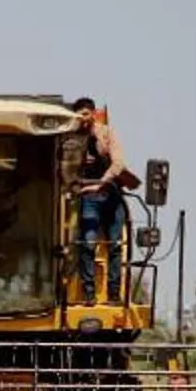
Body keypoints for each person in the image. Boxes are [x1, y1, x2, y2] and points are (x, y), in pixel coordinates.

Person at [71, 97, 127, 306]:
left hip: (111, 194)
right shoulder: (71, 138)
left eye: (85, 114)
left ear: (93, 114)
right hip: (88, 197)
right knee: (87, 243)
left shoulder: (107, 133)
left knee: (115, 245)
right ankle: (88, 294)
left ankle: (114, 295)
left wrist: (101, 183)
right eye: (78, 116)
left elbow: (119, 163)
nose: (82, 119)